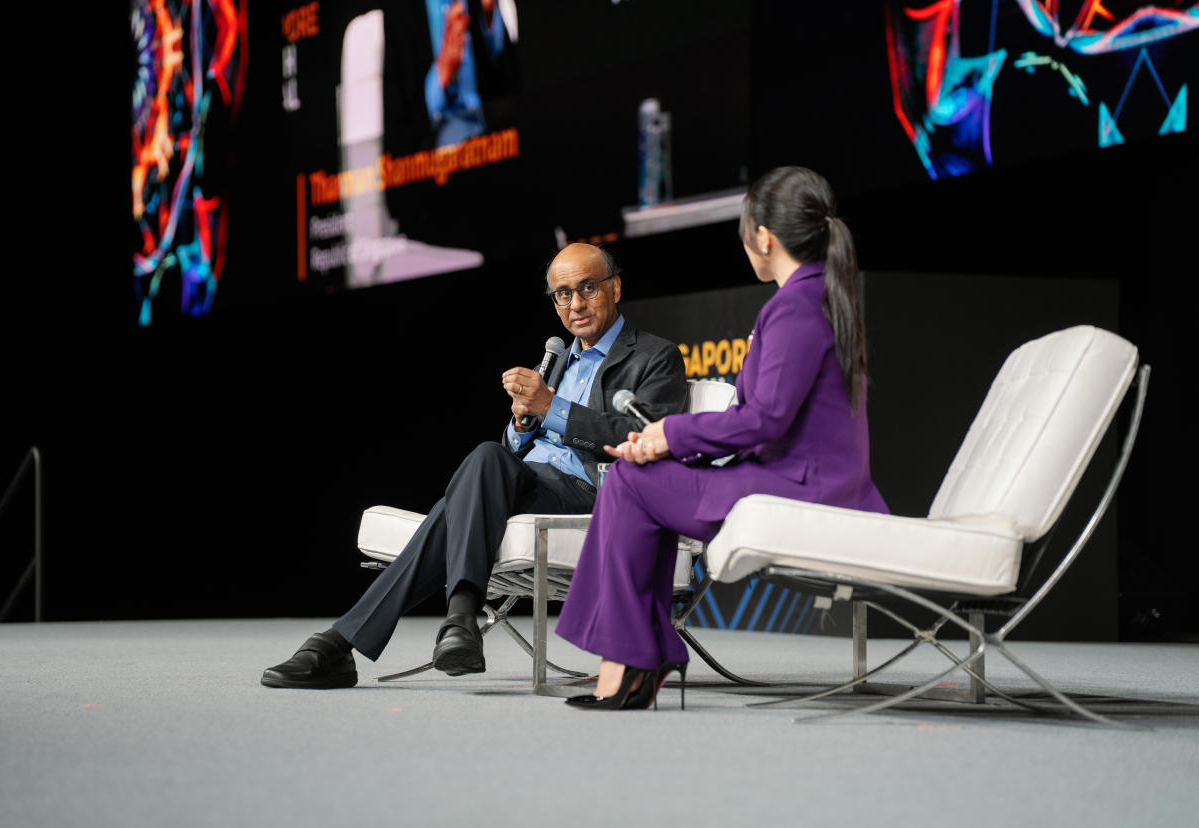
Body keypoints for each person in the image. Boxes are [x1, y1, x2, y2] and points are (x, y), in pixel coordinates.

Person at [262, 243, 687, 688]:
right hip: (529, 485)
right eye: (563, 294)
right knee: (486, 462)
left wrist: (550, 407)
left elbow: (649, 437)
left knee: (477, 471)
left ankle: (349, 641)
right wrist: (523, 424)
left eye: (587, 288)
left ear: (614, 287)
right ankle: (450, 622)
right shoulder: (561, 360)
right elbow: (518, 448)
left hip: (591, 494)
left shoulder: (654, 356)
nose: (576, 303)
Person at [554, 167, 889, 709]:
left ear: (763, 237)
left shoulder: (798, 306)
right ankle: (634, 654)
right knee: (633, 478)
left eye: (743, 229)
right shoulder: (815, 296)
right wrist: (666, 443)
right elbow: (768, 421)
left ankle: (632, 658)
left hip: (799, 487)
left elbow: (764, 421)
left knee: (630, 481)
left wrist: (668, 435)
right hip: (795, 474)